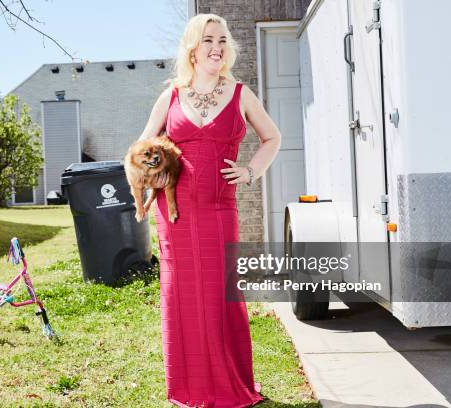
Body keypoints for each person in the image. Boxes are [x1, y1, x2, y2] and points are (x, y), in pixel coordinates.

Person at [138, 13, 281, 408]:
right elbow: (141, 149)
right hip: (176, 215)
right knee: (180, 297)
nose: (216, 47)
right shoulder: (169, 97)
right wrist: (156, 175)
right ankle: (188, 390)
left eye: (221, 39)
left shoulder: (240, 94)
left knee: (221, 297)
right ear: (192, 49)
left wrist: (250, 171)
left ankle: (231, 387)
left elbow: (272, 137)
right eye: (207, 40)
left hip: (220, 211)